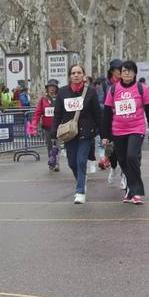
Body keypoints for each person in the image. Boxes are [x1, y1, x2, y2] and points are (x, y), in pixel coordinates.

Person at [101, 59, 149, 204]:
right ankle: (130, 190)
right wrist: (105, 135)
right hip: (118, 130)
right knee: (123, 160)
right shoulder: (113, 89)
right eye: (124, 71)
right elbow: (107, 114)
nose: (127, 73)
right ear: (120, 73)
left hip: (136, 128)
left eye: (130, 71)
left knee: (132, 157)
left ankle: (136, 191)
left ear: (135, 73)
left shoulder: (142, 88)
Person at [52, 64, 102, 204]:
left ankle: (80, 191)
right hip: (69, 132)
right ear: (69, 76)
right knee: (72, 162)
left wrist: (103, 134)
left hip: (86, 132)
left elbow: (97, 114)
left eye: (79, 72)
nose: (76, 75)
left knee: (81, 161)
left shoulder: (91, 92)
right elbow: (57, 114)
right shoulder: (62, 92)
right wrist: (53, 131)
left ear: (83, 75)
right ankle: (81, 179)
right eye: (73, 73)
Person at [102, 59, 125, 189]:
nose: (121, 72)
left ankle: (124, 174)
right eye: (118, 69)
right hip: (109, 122)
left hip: (124, 122)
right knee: (110, 150)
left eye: (123, 69)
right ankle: (114, 167)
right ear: (112, 71)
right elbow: (100, 102)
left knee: (123, 150)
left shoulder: (127, 83)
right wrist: (109, 107)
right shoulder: (105, 85)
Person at [33, 81, 61, 172]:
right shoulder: (42, 100)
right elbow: (37, 113)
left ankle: (56, 162)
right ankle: (51, 161)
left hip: (58, 126)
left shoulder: (60, 98)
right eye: (50, 87)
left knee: (57, 145)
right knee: (49, 145)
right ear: (47, 88)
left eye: (54, 87)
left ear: (56, 88)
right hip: (47, 127)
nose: (52, 88)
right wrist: (34, 124)